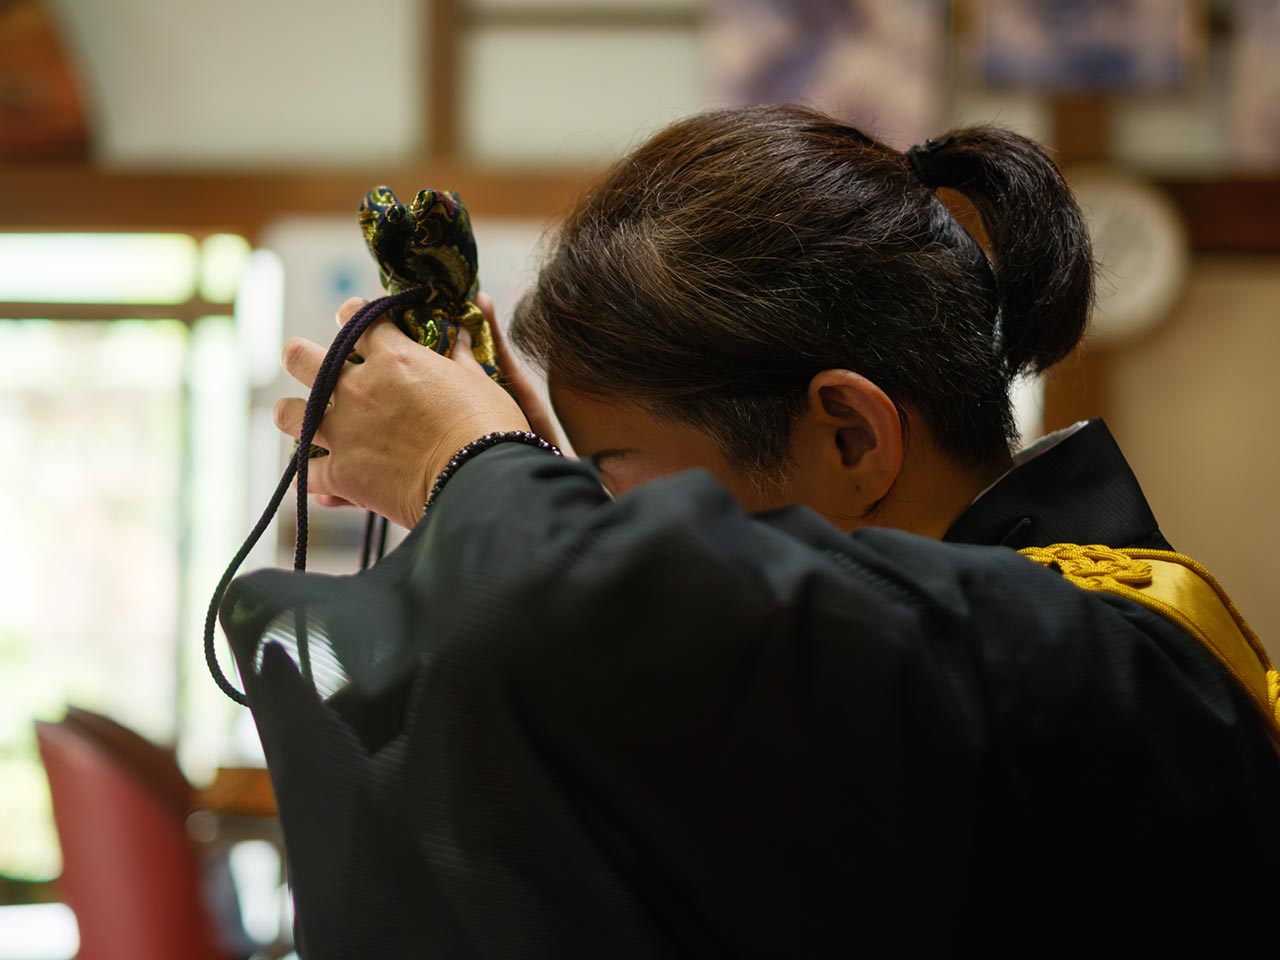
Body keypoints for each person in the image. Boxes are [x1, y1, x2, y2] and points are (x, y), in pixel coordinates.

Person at [224, 105, 1278, 958]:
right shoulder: (959, 641)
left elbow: (663, 607)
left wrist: (456, 465)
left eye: (612, 471)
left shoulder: (1086, 654)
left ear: (851, 437)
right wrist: (506, 481)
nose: (599, 511)